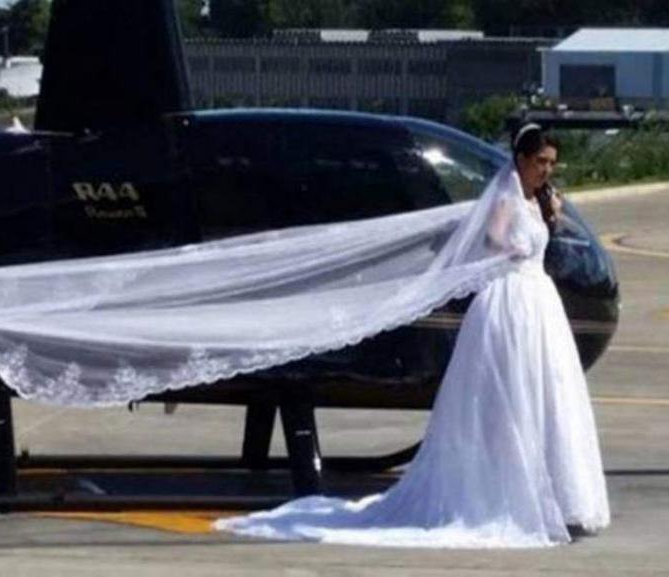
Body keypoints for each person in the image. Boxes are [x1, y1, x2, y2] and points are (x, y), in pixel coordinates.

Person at [213, 124, 611, 548]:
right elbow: (491, 239)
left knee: (547, 393)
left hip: (539, 303)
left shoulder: (542, 200)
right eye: (539, 162)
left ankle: (556, 493)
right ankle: (509, 492)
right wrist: (514, 247)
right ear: (520, 160)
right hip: (510, 297)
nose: (545, 170)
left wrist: (550, 214)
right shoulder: (505, 197)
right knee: (509, 396)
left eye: (551, 163)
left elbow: (550, 236)